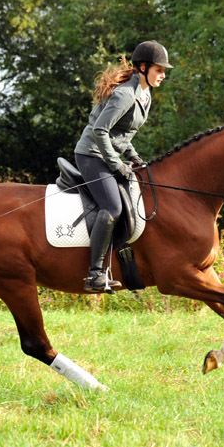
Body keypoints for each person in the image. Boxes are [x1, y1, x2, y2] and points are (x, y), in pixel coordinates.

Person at [74, 40, 172, 292]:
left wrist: (135, 157)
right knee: (113, 206)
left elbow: (123, 135)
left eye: (164, 71)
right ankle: (94, 274)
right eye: (159, 70)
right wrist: (116, 164)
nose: (163, 75)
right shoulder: (125, 94)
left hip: (107, 154)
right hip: (91, 155)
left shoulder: (145, 95)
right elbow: (100, 130)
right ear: (143, 67)